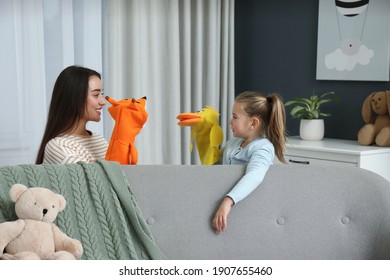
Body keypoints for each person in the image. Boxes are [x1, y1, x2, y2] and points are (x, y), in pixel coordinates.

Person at [212, 91, 287, 233]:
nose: (230, 122)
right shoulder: (232, 143)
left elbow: (255, 175)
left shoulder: (263, 148)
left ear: (253, 123)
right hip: (223, 202)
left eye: (235, 117)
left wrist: (228, 201)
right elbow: (218, 168)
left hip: (247, 206)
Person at [36, 65, 108, 164]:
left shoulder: (99, 141)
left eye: (102, 94)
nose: (103, 102)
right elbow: (91, 178)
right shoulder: (58, 146)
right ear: (75, 97)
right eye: (96, 95)